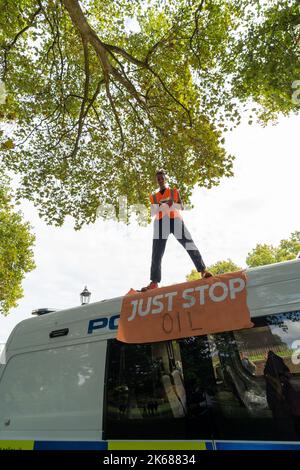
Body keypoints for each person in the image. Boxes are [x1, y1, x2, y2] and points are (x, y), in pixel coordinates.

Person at [141, 170, 212, 291]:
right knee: (156, 253)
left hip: (175, 220)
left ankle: (203, 271)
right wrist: (161, 205)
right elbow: (153, 212)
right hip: (160, 223)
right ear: (156, 181)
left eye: (162, 178)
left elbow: (181, 207)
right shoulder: (153, 197)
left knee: (189, 243)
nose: (160, 180)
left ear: (165, 178)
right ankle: (154, 282)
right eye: (158, 179)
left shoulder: (174, 192)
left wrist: (172, 202)